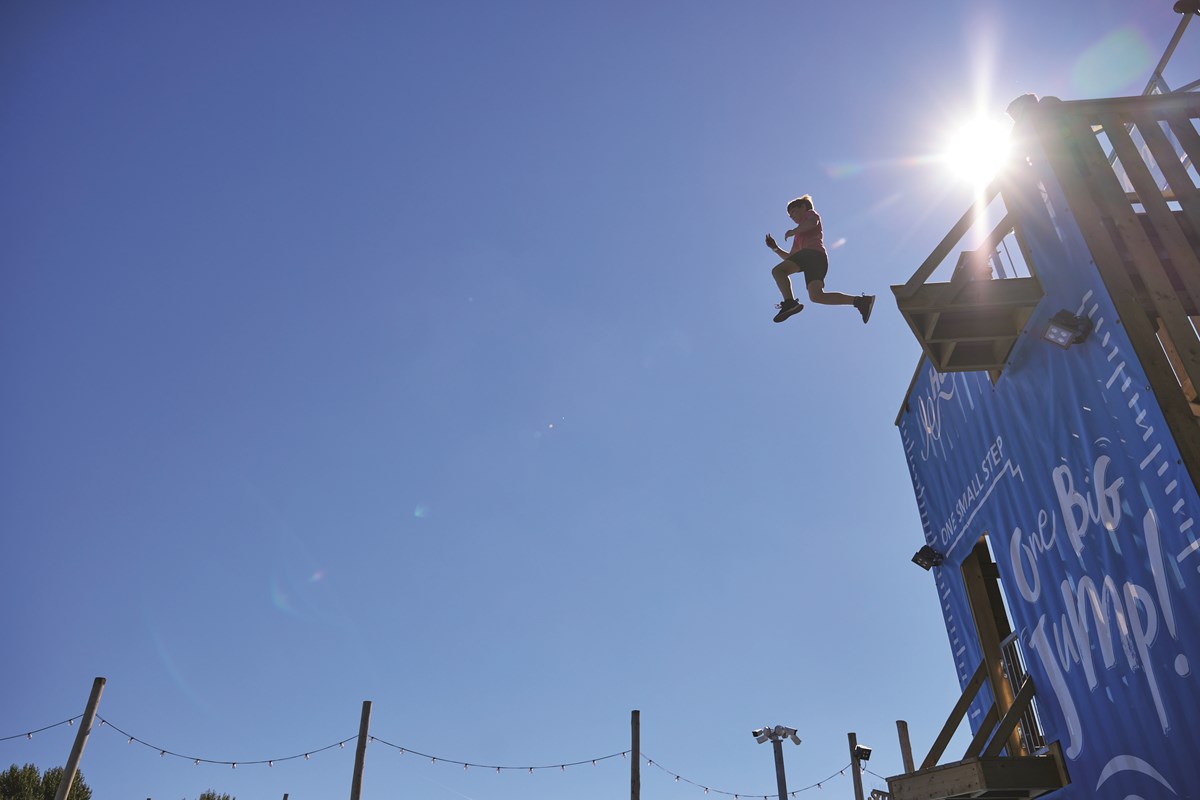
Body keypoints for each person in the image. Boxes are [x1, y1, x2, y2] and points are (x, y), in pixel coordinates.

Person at [765, 195, 874, 324]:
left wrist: (793, 231)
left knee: (778, 271)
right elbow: (790, 258)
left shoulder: (810, 214)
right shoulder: (798, 236)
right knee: (816, 296)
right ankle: (860, 301)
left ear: (803, 207)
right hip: (817, 260)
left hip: (813, 254)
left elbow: (812, 223)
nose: (792, 216)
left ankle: (789, 302)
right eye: (790, 215)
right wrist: (775, 248)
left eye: (793, 211)